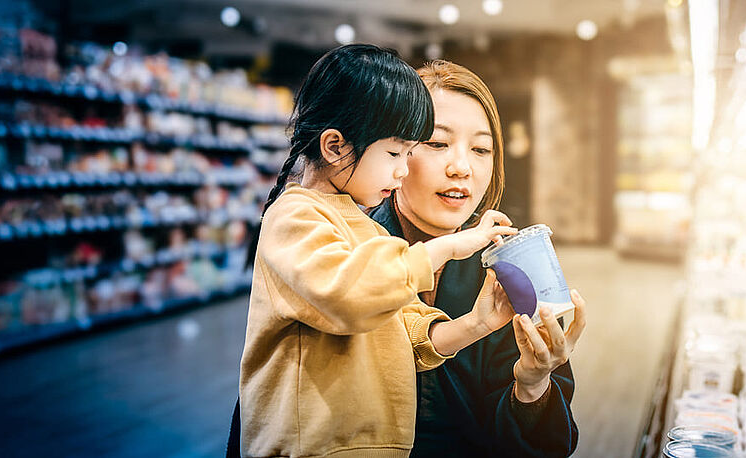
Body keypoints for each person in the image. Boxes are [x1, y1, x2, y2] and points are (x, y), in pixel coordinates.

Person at [236, 45, 520, 458]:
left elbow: (405, 326)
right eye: (396, 152)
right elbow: (349, 294)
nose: (402, 169)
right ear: (335, 147)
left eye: (481, 149)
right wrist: (449, 247)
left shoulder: (362, 224)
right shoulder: (294, 218)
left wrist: (476, 324)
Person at [367, 59, 587, 457]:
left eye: (481, 149)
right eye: (437, 143)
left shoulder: (509, 262)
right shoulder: (347, 245)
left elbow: (549, 445)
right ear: (394, 151)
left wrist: (533, 383)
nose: (462, 168)